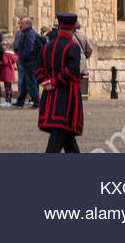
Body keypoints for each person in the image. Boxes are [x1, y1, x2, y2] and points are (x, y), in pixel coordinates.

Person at [36, 11, 84, 152]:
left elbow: (38, 68)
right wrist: (55, 82)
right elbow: (72, 70)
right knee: (60, 132)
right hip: (67, 96)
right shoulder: (73, 47)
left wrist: (45, 82)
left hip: (50, 95)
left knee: (67, 137)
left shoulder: (47, 46)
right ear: (73, 29)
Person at [13, 16, 41, 108]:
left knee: (31, 82)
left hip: (30, 62)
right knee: (25, 83)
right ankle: (20, 101)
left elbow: (29, 48)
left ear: (27, 24)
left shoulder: (30, 34)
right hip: (27, 62)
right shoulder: (26, 33)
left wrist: (23, 58)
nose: (19, 25)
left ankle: (37, 102)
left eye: (21, 23)